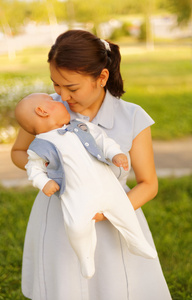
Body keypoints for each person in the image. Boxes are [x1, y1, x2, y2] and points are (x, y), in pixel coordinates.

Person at [11, 30, 172, 299]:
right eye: (55, 84)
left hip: (112, 219)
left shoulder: (132, 117)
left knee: (114, 284)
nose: (61, 94)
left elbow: (148, 183)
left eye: (71, 87)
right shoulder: (46, 111)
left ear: (102, 78)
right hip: (61, 216)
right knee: (65, 282)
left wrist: (109, 211)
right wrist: (44, 167)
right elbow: (18, 152)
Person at [15, 92, 157, 279]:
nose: (62, 100)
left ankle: (138, 241)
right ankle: (85, 256)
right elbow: (33, 168)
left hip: (107, 186)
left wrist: (115, 154)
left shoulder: (80, 127)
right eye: (53, 102)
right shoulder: (40, 146)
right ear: (42, 111)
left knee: (124, 212)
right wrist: (45, 182)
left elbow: (103, 140)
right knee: (77, 226)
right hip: (76, 195)